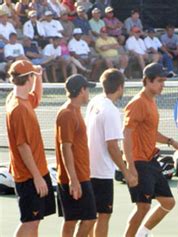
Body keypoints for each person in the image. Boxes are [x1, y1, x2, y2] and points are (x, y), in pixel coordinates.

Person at [123, 63, 178, 237]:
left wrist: (171, 141)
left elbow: (151, 131)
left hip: (150, 160)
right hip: (139, 162)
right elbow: (126, 133)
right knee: (143, 206)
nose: (162, 84)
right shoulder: (138, 103)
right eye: (159, 81)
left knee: (168, 202)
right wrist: (130, 165)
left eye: (163, 81)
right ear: (147, 81)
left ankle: (142, 233)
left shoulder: (151, 101)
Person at [85, 69, 138, 237]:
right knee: (103, 215)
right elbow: (112, 146)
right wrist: (126, 173)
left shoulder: (95, 101)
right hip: (101, 172)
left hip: (88, 168)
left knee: (90, 217)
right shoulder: (112, 111)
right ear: (120, 87)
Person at [5, 60, 56, 236]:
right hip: (29, 175)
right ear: (28, 78)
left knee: (35, 221)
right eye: (33, 76)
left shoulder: (19, 98)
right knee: (30, 222)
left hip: (35, 170)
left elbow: (37, 97)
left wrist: (39, 77)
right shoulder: (18, 108)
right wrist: (37, 177)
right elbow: (22, 146)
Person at [55, 74, 97, 237]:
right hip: (75, 177)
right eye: (87, 90)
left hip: (80, 174)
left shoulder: (76, 111)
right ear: (81, 90)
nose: (88, 94)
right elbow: (65, 147)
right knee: (88, 219)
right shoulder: (67, 114)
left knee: (72, 220)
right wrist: (73, 179)